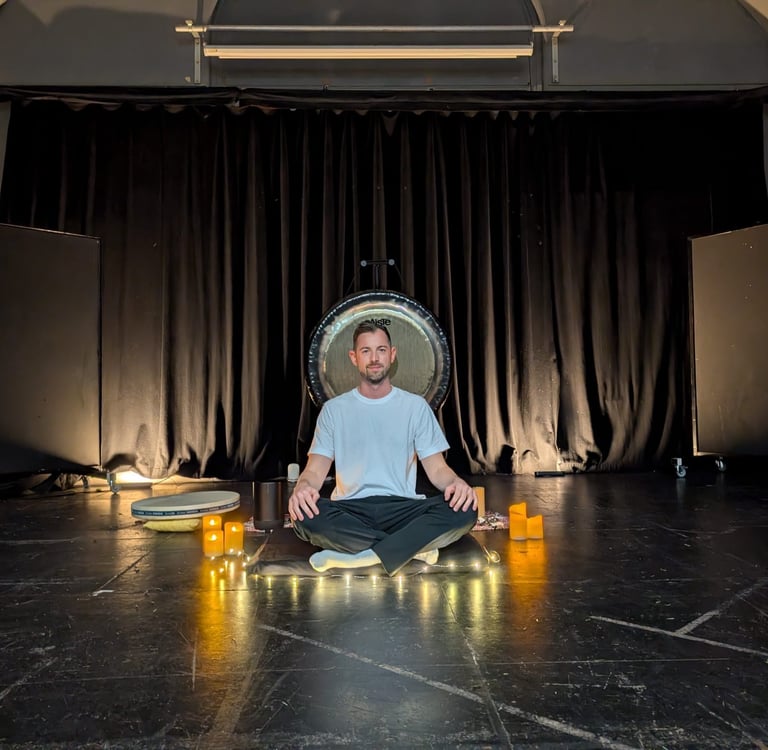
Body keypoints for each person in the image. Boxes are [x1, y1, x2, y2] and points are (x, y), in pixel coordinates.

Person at [288, 320, 478, 577]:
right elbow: (314, 471)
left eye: (381, 350)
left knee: (465, 510)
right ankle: (412, 547)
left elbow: (437, 469)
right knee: (303, 516)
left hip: (403, 508)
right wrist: (302, 488)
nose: (374, 358)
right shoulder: (334, 410)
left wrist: (457, 482)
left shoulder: (415, 407)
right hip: (350, 509)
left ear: (392, 354)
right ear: (354, 357)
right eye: (366, 351)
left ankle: (360, 556)